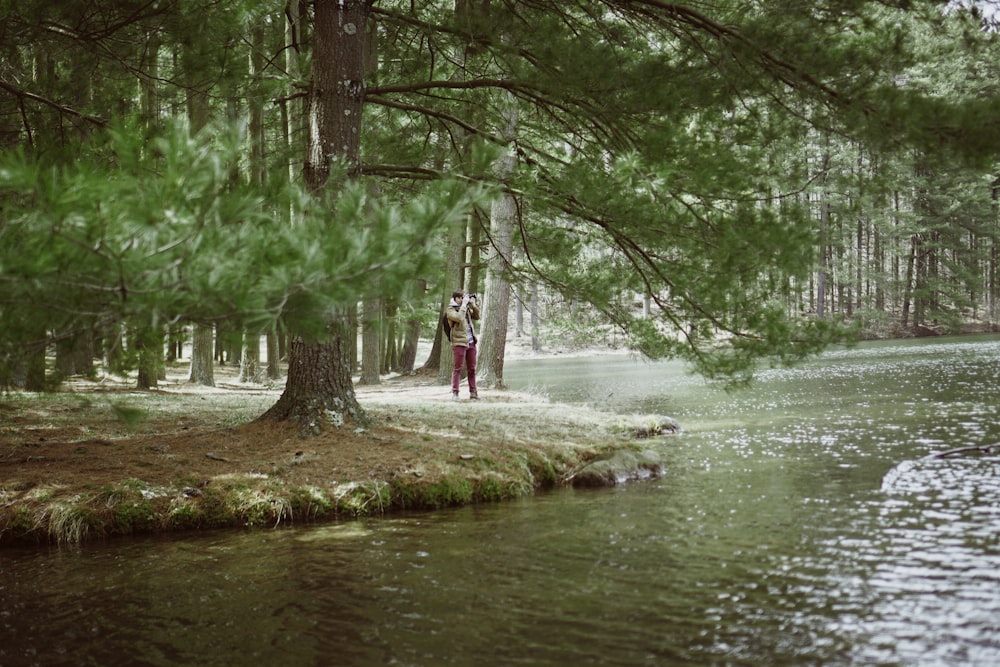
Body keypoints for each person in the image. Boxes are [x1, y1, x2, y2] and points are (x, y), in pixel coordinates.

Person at [445, 290, 480, 401]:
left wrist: (474, 305)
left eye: (463, 297)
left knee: (472, 369)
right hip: (459, 342)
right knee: (458, 369)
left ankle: (473, 393)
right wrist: (464, 304)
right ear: (455, 298)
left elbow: (477, 316)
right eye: (460, 298)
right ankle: (455, 393)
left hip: (471, 342)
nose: (462, 300)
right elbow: (459, 318)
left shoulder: (466, 308)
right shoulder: (450, 309)